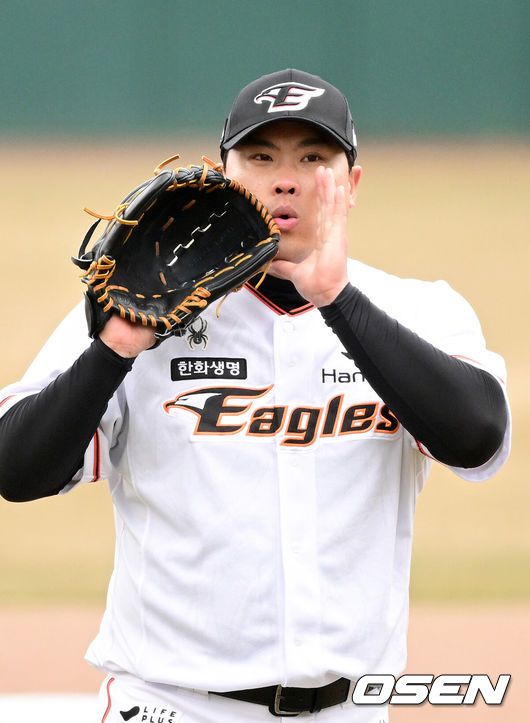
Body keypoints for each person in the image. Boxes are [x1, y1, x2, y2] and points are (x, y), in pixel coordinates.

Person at [0, 69, 510, 722]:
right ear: (224, 177)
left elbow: (477, 438)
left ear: (352, 184)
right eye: (261, 158)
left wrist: (337, 300)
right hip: (170, 705)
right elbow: (16, 469)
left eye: (313, 158)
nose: (285, 180)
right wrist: (114, 349)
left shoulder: (420, 310)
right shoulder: (140, 307)